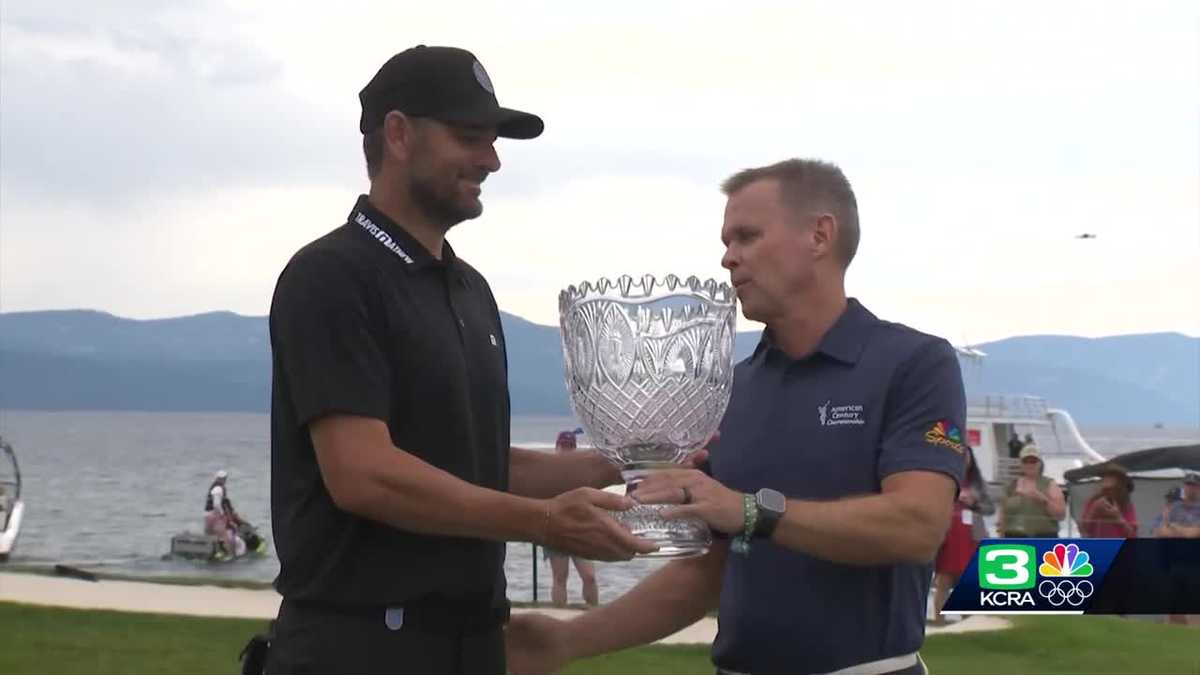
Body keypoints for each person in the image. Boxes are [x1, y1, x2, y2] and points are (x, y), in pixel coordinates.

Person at [263, 45, 656, 675]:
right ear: (398, 134)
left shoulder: (470, 291)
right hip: (359, 647)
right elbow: (364, 475)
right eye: (470, 137)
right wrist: (546, 522)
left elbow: (477, 467)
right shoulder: (330, 277)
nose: (492, 160)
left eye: (494, 141)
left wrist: (623, 462)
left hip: (473, 645)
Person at [507, 158, 966, 675]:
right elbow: (705, 570)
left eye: (746, 237)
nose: (729, 259)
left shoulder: (913, 363)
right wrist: (564, 642)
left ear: (820, 236)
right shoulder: (729, 388)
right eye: (726, 242)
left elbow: (916, 525)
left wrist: (751, 511)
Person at [931, 446, 994, 625]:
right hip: (948, 535)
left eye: (966, 456)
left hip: (971, 537)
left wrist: (975, 502)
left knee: (966, 581)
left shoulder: (978, 483)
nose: (963, 460)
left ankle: (967, 624)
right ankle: (939, 622)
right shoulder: (944, 480)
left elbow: (990, 509)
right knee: (943, 579)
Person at [543, 430, 601, 607]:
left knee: (589, 576)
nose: (567, 451)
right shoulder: (546, 470)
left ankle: (593, 611)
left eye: (571, 447)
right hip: (555, 529)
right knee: (560, 577)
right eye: (564, 446)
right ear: (557, 447)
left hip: (580, 528)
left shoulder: (581, 472)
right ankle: (560, 613)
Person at [1153, 472, 1200, 625]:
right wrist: (1181, 530)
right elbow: (1159, 532)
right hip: (1174, 563)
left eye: (1194, 486)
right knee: (1174, 606)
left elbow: (1193, 534)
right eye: (1188, 485)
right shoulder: (1173, 508)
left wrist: (1173, 527)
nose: (1190, 489)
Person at [997, 444, 1066, 538]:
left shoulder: (1050, 484)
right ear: (1021, 463)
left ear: (1040, 463)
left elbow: (1061, 515)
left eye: (1033, 461)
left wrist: (1043, 500)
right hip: (1014, 540)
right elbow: (1002, 518)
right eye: (1026, 461)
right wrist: (1000, 539)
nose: (1029, 464)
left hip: (1043, 540)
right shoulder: (1011, 486)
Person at [1078, 465, 1138, 538]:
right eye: (1105, 479)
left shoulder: (1127, 506)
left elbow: (1132, 535)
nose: (1106, 482)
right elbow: (1083, 530)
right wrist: (1093, 511)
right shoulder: (1094, 501)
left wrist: (1117, 518)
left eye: (1111, 478)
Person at [203, 469, 240, 556]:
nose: (224, 480)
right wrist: (222, 515)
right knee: (224, 537)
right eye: (224, 478)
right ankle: (228, 555)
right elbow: (216, 505)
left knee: (211, 535)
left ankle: (211, 552)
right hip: (214, 516)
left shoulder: (214, 487)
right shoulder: (218, 489)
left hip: (207, 515)